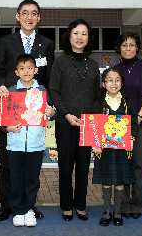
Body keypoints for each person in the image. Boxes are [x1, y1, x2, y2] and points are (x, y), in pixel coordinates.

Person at [0, 0, 54, 221]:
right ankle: (7, 205)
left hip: (35, 112)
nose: (30, 17)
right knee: (9, 162)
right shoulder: (6, 41)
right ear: (18, 16)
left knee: (31, 167)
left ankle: (29, 205)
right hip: (12, 108)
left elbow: (48, 78)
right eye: (25, 13)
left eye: (34, 13)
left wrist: (49, 105)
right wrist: (0, 86)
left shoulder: (46, 43)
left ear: (39, 18)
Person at [49, 18, 100, 221]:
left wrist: (90, 118)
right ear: (69, 37)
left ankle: (80, 204)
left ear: (89, 39)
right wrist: (67, 114)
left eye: (84, 34)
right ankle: (66, 206)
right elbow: (54, 90)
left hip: (87, 125)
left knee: (83, 167)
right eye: (76, 33)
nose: (80, 37)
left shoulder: (94, 65)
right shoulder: (60, 62)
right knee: (65, 167)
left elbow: (98, 96)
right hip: (65, 123)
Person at [0, 54, 55, 227]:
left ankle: (29, 208)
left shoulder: (43, 91)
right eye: (22, 68)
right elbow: (2, 119)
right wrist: (7, 128)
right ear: (16, 72)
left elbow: (50, 113)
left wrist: (51, 113)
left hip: (35, 144)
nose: (26, 71)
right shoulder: (9, 91)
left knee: (32, 179)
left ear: (36, 70)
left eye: (30, 68)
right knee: (16, 178)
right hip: (15, 144)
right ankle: (18, 210)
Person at [113, 32, 142, 218]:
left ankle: (138, 204)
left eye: (131, 45)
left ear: (137, 47)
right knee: (123, 165)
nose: (128, 48)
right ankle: (122, 204)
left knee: (140, 165)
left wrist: (138, 117)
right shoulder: (115, 69)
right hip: (120, 125)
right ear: (119, 48)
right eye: (124, 45)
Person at [92, 67, 137, 227]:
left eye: (117, 80)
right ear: (103, 84)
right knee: (106, 180)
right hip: (103, 151)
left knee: (119, 181)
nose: (113, 83)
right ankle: (106, 212)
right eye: (109, 80)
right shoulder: (98, 102)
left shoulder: (126, 102)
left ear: (122, 83)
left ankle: (117, 212)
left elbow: (133, 123)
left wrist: (132, 138)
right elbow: (94, 126)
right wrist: (95, 143)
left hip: (122, 151)